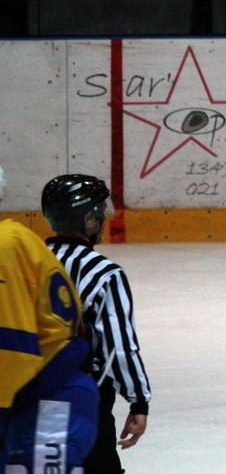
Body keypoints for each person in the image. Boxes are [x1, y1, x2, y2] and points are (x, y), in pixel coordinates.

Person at [42, 174, 152, 474]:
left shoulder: (29, 262)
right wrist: (139, 401)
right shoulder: (104, 274)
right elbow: (119, 347)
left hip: (24, 398)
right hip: (81, 400)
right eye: (100, 212)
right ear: (88, 218)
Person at [1, 165, 99, 473]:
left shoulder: (5, 246)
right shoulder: (14, 239)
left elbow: (12, 349)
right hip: (33, 395)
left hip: (49, 400)